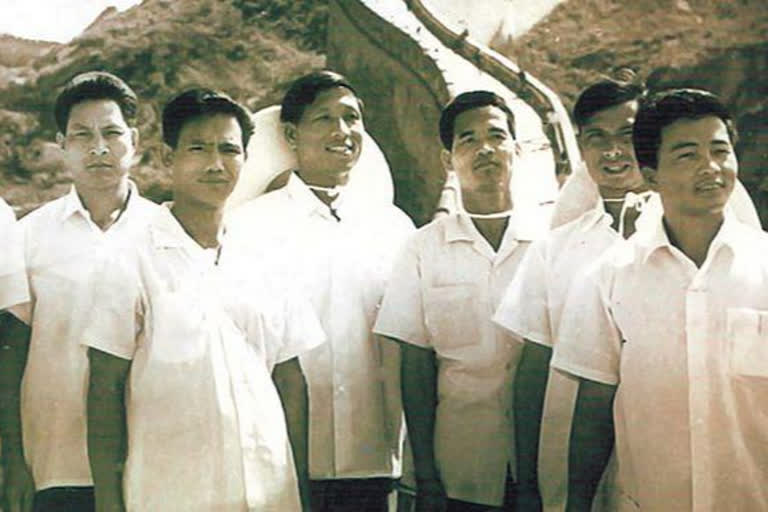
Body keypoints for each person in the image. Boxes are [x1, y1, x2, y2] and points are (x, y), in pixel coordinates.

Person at [83, 88, 323, 512]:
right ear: (167, 157)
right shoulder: (130, 256)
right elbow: (104, 386)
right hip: (171, 489)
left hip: (268, 488)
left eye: (229, 150)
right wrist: (107, 500)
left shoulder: (268, 255)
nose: (216, 164)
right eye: (199, 148)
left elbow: (290, 381)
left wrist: (299, 487)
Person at [552, 88, 768, 511]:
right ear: (650, 176)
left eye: (720, 150)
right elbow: (593, 416)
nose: (711, 168)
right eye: (687, 155)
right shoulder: (609, 279)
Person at [227, 70, 415, 512]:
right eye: (324, 119)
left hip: (374, 457)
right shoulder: (248, 227)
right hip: (277, 458)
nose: (342, 131)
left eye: (352, 118)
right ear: (291, 134)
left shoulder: (394, 228)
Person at [0, 71, 159, 512]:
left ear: (135, 140)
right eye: (82, 136)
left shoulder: (168, 233)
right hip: (53, 464)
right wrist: (12, 460)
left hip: (154, 462)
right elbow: (9, 357)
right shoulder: (27, 236)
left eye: (111, 133)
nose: (99, 148)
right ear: (62, 145)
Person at [374, 90, 539, 511]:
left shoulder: (551, 244)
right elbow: (415, 365)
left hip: (544, 464)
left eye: (496, 136)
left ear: (516, 150)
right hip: (459, 465)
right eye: (468, 139)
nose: (485, 149)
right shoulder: (422, 249)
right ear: (448, 159)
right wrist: (426, 474)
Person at [492, 78, 652, 511]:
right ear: (581, 149)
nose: (613, 151)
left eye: (627, 135)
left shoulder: (687, 238)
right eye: (597, 138)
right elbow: (531, 369)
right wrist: (525, 480)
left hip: (664, 465)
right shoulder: (556, 248)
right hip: (569, 472)